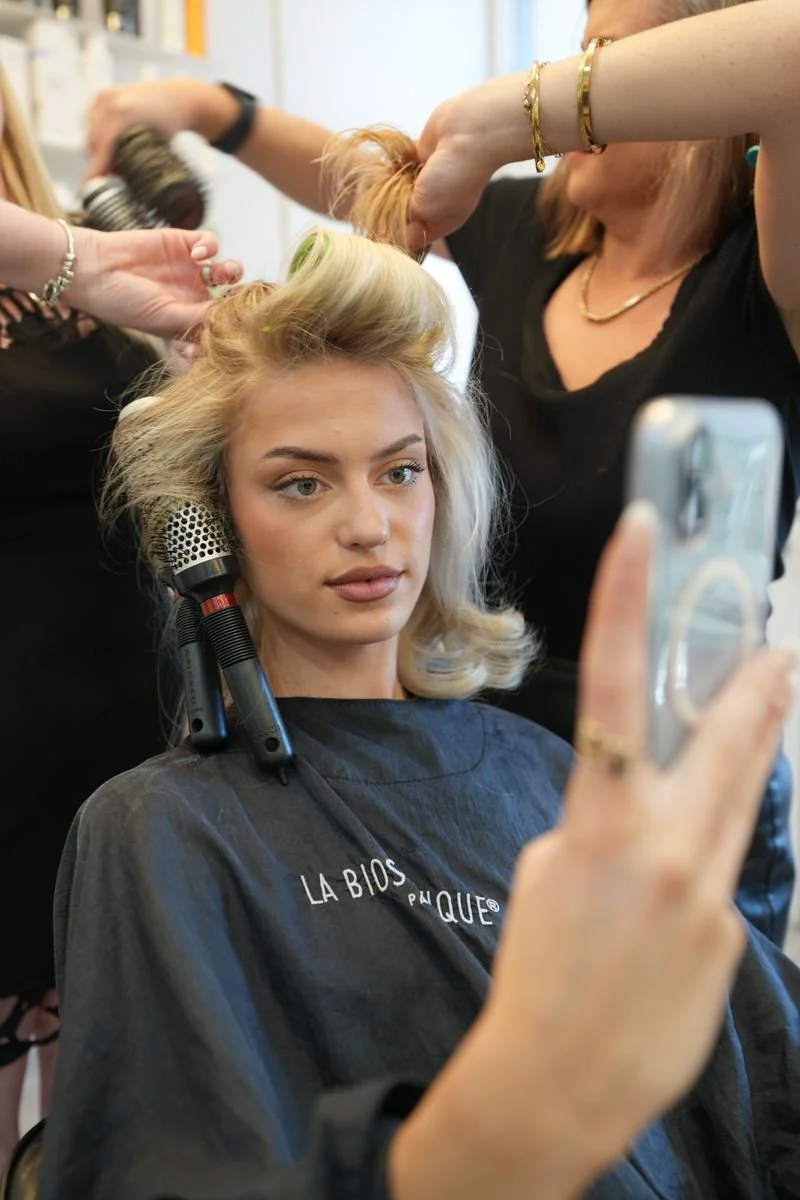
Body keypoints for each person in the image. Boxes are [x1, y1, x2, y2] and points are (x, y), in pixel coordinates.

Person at [36, 229, 800, 1200]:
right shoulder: (161, 832)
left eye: (399, 471)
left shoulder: (549, 772)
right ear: (212, 529)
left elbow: (759, 1071)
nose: (368, 524)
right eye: (300, 483)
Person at [82, 0, 800, 948]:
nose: (578, 82)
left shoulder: (767, 274)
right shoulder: (530, 241)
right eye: (573, 55)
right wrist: (216, 108)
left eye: (609, 64)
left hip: (676, 778)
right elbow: (368, 184)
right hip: (477, 742)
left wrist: (512, 116)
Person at [0, 63, 240, 1171]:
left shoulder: (72, 270)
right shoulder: (71, 260)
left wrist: (206, 360)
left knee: (115, 1116)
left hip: (117, 745)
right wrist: (83, 259)